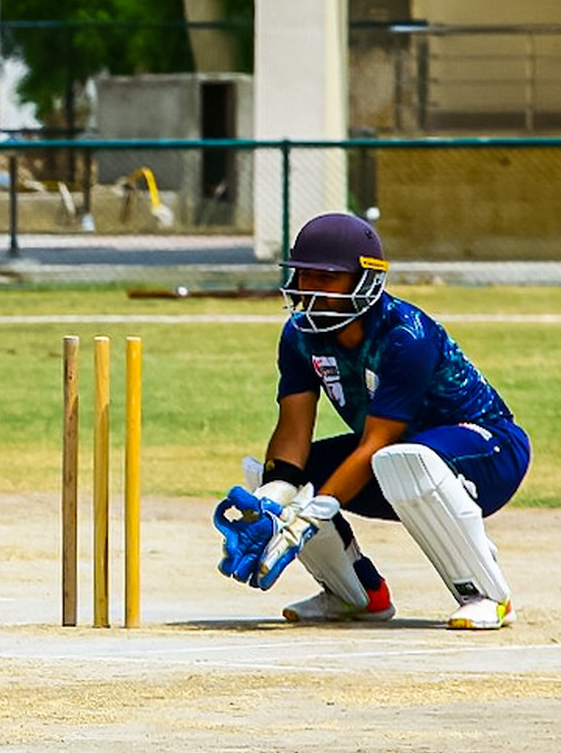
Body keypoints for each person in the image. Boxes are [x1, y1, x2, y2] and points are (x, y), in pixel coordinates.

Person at [215, 211, 530, 630]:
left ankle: (489, 595)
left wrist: (307, 519)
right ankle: (357, 596)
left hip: (489, 451)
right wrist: (273, 504)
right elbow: (293, 429)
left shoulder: (406, 335)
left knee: (406, 459)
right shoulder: (299, 335)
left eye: (327, 278)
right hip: (395, 455)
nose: (311, 288)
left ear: (365, 280)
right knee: (277, 478)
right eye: (305, 275)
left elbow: (378, 441)